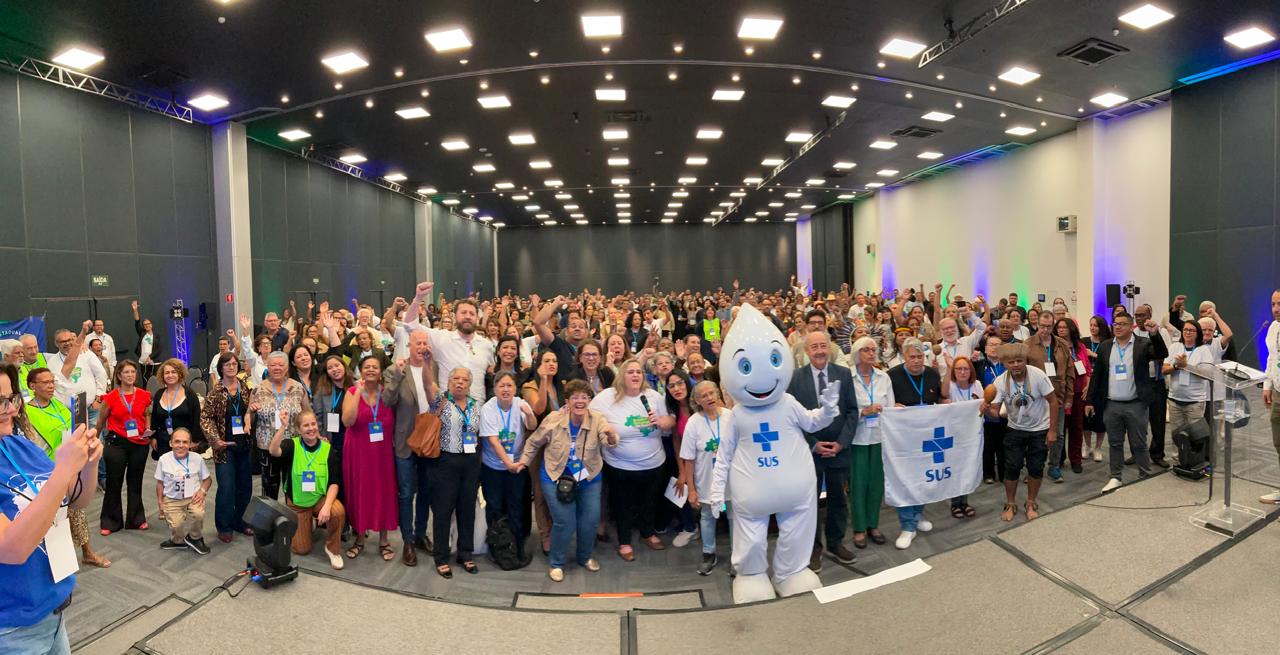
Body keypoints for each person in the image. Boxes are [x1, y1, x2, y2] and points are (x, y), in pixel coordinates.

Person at [0, 363, 101, 654]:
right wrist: (64, 469)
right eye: (0, 401)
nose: (11, 409)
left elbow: (75, 501)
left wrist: (88, 464)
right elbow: (12, 550)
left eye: (12, 398)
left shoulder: (17, 446)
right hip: (12, 628)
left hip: (51, 611)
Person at [517, 379, 617, 581]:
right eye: (575, 397)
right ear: (567, 401)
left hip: (589, 477)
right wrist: (523, 462)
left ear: (589, 400)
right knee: (565, 521)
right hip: (555, 476)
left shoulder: (597, 419)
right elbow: (534, 442)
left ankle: (585, 557)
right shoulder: (554, 419)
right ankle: (557, 563)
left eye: (584, 397)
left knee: (590, 521)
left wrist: (612, 436)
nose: (580, 401)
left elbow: (608, 441)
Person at [23, 367, 110, 568]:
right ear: (32, 386)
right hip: (45, 471)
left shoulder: (59, 405)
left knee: (77, 510)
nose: (51, 386)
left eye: (52, 381)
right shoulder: (26, 413)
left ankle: (87, 552)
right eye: (45, 382)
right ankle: (53, 562)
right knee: (52, 518)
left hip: (70, 467)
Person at [786, 330, 858, 570]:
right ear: (807, 351)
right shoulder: (795, 379)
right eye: (814, 347)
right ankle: (813, 548)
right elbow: (793, 419)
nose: (819, 351)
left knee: (839, 499)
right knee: (810, 503)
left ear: (830, 348)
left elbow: (852, 411)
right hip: (810, 452)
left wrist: (842, 443)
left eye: (823, 346)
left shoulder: (844, 375)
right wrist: (813, 443)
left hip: (839, 449)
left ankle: (836, 543)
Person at [592, 358, 674, 561]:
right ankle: (625, 541)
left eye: (639, 372)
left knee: (649, 502)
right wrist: (605, 428)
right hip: (620, 466)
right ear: (621, 375)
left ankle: (647, 533)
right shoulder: (607, 397)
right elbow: (589, 415)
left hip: (654, 463)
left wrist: (662, 422)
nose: (636, 375)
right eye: (630, 372)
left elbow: (670, 419)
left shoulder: (653, 396)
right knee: (623, 505)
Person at [1084, 313, 1169, 494]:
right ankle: (1116, 476)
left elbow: (1162, 353)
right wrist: (1090, 400)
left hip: (1136, 404)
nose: (1118, 327)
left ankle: (1145, 475)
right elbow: (1097, 375)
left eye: (1122, 324)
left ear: (1131, 326)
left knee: (1139, 443)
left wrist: (1155, 334)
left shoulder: (1142, 344)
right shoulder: (1106, 346)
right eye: (1115, 323)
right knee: (1115, 443)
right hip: (1112, 404)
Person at [983, 344, 1057, 522]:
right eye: (1011, 362)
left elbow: (1053, 401)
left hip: (1040, 429)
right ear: (1004, 364)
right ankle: (1010, 503)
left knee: (1036, 467)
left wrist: (1053, 430)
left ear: (1025, 360)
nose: (1016, 365)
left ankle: (1031, 502)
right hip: (1015, 428)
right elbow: (995, 412)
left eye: (1019, 360)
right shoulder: (1000, 381)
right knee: (1012, 467)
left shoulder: (1038, 375)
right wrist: (987, 409)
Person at [268, 409, 346, 570]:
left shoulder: (328, 449)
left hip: (319, 499)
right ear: (298, 429)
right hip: (298, 503)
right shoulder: (292, 445)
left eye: (313, 424)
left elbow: (334, 483)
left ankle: (332, 549)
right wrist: (282, 427)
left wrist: (326, 507)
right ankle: (308, 521)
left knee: (337, 511)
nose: (311, 428)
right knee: (301, 549)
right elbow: (273, 451)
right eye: (306, 425)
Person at [341, 355, 399, 562]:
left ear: (381, 372)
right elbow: (347, 421)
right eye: (367, 367)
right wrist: (358, 393)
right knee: (361, 492)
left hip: (383, 453)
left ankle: (384, 540)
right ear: (361, 371)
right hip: (358, 452)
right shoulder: (351, 392)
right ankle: (359, 539)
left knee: (384, 493)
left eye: (375, 367)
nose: (371, 370)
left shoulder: (388, 394)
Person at [425, 367, 483, 578]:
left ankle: (465, 553)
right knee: (443, 510)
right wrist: (426, 364)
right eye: (456, 378)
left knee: (467, 510)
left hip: (471, 462)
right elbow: (427, 385)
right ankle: (441, 557)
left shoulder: (476, 405)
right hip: (446, 461)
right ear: (449, 382)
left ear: (469, 384)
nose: (460, 382)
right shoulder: (440, 402)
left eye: (464, 379)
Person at [886, 338, 941, 548]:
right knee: (905, 480)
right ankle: (907, 525)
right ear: (904, 356)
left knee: (923, 478)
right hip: (903, 438)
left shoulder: (932, 374)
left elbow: (939, 400)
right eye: (912, 357)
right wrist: (893, 406)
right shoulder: (892, 376)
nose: (917, 361)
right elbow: (885, 403)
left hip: (927, 436)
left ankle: (917, 515)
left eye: (920, 356)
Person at [388, 330, 436, 566]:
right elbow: (387, 401)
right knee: (407, 493)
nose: (422, 346)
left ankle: (420, 534)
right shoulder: (396, 369)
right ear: (409, 345)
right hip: (405, 441)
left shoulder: (434, 367)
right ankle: (407, 540)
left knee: (426, 491)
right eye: (418, 343)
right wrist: (398, 375)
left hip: (429, 439)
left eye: (425, 343)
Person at [479, 371, 538, 560]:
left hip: (517, 465)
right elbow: (494, 441)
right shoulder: (488, 408)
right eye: (501, 385)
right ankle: (497, 546)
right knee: (494, 505)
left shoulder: (520, 403)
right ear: (495, 388)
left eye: (509, 385)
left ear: (515, 388)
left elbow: (532, 426)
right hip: (493, 467)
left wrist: (529, 414)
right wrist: (508, 464)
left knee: (516, 505)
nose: (506, 389)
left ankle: (516, 545)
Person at [1164, 313, 1231, 473]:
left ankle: (1195, 463)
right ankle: (1178, 461)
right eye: (1185, 330)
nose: (1188, 333)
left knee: (1196, 435)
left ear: (1197, 334)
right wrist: (1176, 366)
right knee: (1176, 433)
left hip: (1194, 401)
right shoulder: (1175, 347)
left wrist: (1186, 366)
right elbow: (1165, 369)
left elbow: (1206, 374)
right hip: (1174, 399)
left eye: (1192, 330)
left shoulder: (1203, 350)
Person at [405, 282, 494, 402]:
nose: (468, 316)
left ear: (477, 318)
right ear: (454, 316)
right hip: (448, 408)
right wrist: (418, 298)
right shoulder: (441, 338)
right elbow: (410, 325)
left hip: (478, 409)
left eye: (472, 314)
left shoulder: (486, 345)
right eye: (463, 313)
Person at [678, 381, 732, 574]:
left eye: (712, 393)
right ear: (697, 401)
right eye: (704, 396)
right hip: (706, 481)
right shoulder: (694, 423)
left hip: (731, 482)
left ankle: (737, 556)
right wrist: (691, 490)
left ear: (717, 394)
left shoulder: (730, 417)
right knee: (707, 517)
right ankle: (709, 553)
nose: (709, 398)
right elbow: (688, 459)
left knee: (734, 517)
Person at [200, 352, 255, 543]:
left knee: (245, 487)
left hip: (244, 445)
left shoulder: (245, 387)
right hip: (224, 448)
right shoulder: (216, 392)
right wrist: (215, 440)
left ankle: (239, 521)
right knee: (226, 488)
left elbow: (250, 410)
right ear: (221, 368)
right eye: (227, 364)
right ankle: (224, 526)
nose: (231, 367)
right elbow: (205, 418)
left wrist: (250, 417)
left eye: (234, 364)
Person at [97, 360, 152, 534]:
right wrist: (93, 438)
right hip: (116, 443)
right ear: (119, 376)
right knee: (114, 482)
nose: (130, 375)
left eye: (133, 372)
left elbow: (146, 414)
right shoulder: (111, 397)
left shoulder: (144, 395)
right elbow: (101, 420)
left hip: (139, 443)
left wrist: (148, 428)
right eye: (126, 372)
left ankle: (136, 519)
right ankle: (110, 522)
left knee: (135, 482)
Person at [848, 337, 892, 549]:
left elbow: (890, 408)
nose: (871, 353)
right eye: (866, 350)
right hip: (857, 438)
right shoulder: (848, 378)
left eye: (874, 350)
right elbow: (843, 410)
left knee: (876, 484)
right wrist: (863, 412)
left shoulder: (884, 377)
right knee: (858, 485)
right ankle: (859, 528)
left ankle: (873, 524)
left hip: (879, 437)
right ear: (857, 353)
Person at [1026, 312, 1076, 483]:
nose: (1045, 330)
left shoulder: (1062, 344)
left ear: (1053, 326)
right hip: (1036, 399)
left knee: (1058, 434)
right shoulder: (1027, 344)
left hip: (1058, 396)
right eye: (1042, 326)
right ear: (1037, 325)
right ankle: (1034, 468)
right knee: (1035, 434)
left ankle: (1054, 466)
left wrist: (1069, 396)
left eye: (1049, 327)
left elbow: (1070, 372)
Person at [153, 429, 211, 555]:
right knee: (176, 525)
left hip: (193, 497)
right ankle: (177, 540)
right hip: (172, 498)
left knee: (199, 514)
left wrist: (202, 491)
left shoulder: (197, 459)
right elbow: (160, 483)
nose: (181, 445)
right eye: (177, 441)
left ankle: (195, 537)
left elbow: (207, 480)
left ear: (190, 444)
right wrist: (160, 502)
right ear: (171, 443)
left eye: (185, 442)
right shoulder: (164, 459)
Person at [659, 370, 699, 547]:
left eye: (680, 383)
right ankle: (690, 527)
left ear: (687, 383)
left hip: (708, 458)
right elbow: (677, 441)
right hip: (688, 459)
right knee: (678, 486)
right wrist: (682, 471)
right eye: (671, 386)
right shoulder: (674, 408)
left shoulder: (699, 403)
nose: (676, 388)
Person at [150, 359, 205, 459]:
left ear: (180, 374)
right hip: (163, 440)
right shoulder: (159, 394)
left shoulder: (190, 394)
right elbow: (154, 418)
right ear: (162, 376)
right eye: (167, 373)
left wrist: (194, 440)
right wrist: (153, 437)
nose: (170, 375)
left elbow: (197, 419)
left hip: (184, 441)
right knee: (166, 467)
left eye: (173, 372)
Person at [1083, 315, 1112, 461]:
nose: (1093, 328)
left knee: (1100, 417)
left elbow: (1109, 362)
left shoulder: (1107, 343)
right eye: (1091, 325)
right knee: (1086, 418)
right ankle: (1087, 445)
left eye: (1096, 325)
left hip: (1102, 384)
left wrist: (1093, 354)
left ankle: (1098, 447)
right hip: (1086, 382)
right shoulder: (1084, 341)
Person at [1263, 290, 1280, 504]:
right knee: (1278, 443)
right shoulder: (1274, 328)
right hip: (1278, 393)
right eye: (1274, 304)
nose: (1276, 309)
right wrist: (1267, 385)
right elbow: (1271, 358)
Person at [132, 300, 164, 383]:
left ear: (151, 325)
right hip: (144, 362)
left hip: (155, 362)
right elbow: (137, 322)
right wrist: (135, 310)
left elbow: (159, 349)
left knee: (156, 382)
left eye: (148, 324)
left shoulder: (157, 335)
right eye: (145, 324)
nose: (147, 325)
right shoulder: (142, 333)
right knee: (146, 381)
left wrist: (150, 357)